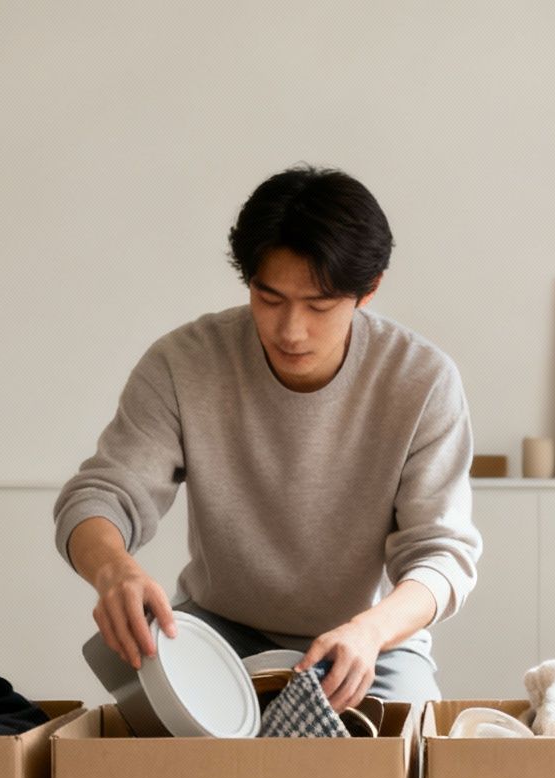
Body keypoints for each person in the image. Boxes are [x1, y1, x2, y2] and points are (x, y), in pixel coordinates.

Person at [54, 165, 481, 713]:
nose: (290, 330)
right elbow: (100, 495)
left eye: (320, 306)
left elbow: (441, 553)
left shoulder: (421, 380)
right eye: (269, 298)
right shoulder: (184, 363)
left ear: (367, 291)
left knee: (402, 766)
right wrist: (115, 570)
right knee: (160, 770)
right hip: (218, 632)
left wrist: (372, 632)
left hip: (369, 640)